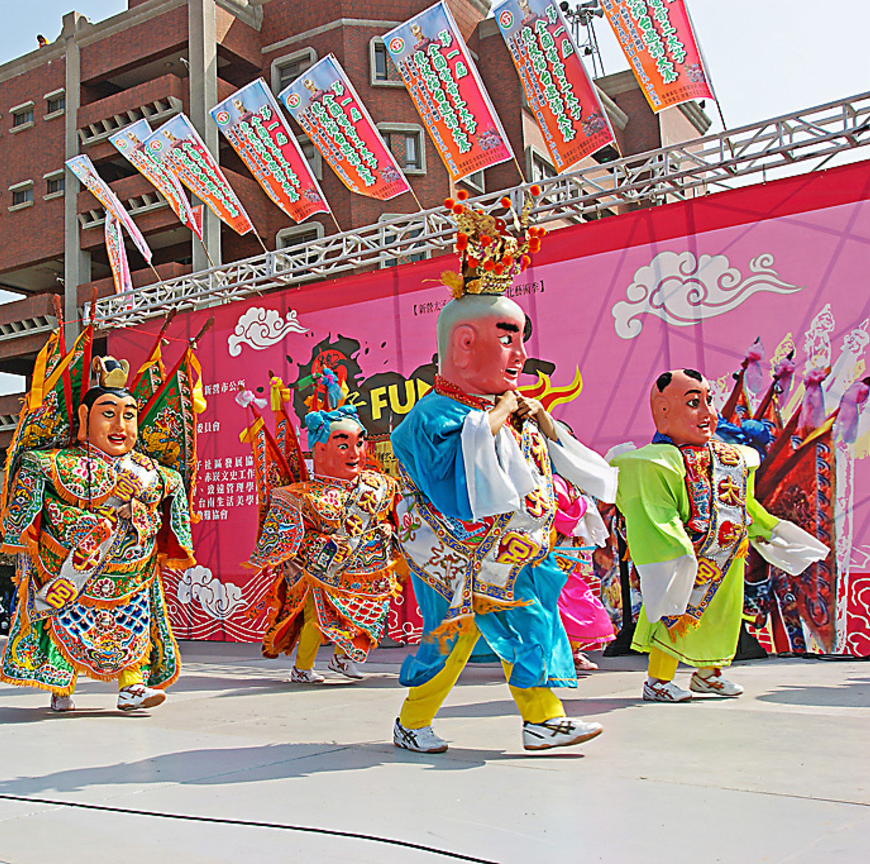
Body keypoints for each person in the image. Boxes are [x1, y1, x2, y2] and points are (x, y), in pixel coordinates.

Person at [390, 194, 616, 753]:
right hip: (454, 558)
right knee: (454, 639)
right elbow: (457, 487)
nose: (519, 354)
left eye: (521, 339)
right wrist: (497, 417)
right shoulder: (430, 417)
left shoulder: (509, 410)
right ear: (465, 345)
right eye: (508, 338)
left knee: (531, 626)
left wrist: (539, 422)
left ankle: (543, 720)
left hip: (515, 554)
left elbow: (549, 468)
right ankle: (413, 722)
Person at [1, 331, 201, 713]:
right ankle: (61, 685)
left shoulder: (153, 473)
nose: (120, 425)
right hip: (73, 570)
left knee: (134, 627)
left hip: (131, 575)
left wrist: (136, 513)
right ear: (84, 417)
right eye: (108, 414)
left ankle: (132, 686)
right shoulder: (56, 464)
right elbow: (47, 510)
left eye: (129, 415)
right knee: (61, 624)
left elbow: (164, 517)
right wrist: (90, 525)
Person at [611, 369, 828, 702]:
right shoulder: (654, 462)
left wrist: (768, 529)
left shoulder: (730, 457)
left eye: (709, 401)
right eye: (693, 403)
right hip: (689, 556)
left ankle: (708, 675)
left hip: (728, 556)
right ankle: (658, 681)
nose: (707, 413)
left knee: (723, 617)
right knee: (675, 617)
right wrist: (677, 549)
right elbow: (654, 510)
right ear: (664, 410)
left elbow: (743, 503)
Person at [245, 374, 401, 683]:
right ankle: (303, 668)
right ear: (320, 450)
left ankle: (345, 658)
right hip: (323, 571)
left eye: (359, 443)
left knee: (366, 617)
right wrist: (321, 548)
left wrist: (385, 530)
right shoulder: (299, 496)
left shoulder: (379, 485)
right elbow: (284, 540)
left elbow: (389, 518)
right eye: (343, 445)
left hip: (366, 569)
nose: (355, 453)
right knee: (317, 620)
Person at [552, 475, 616, 672]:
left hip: (571, 551)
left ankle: (572, 652)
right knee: (558, 602)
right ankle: (562, 653)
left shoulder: (567, 482)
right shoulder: (551, 481)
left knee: (573, 599)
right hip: (553, 551)